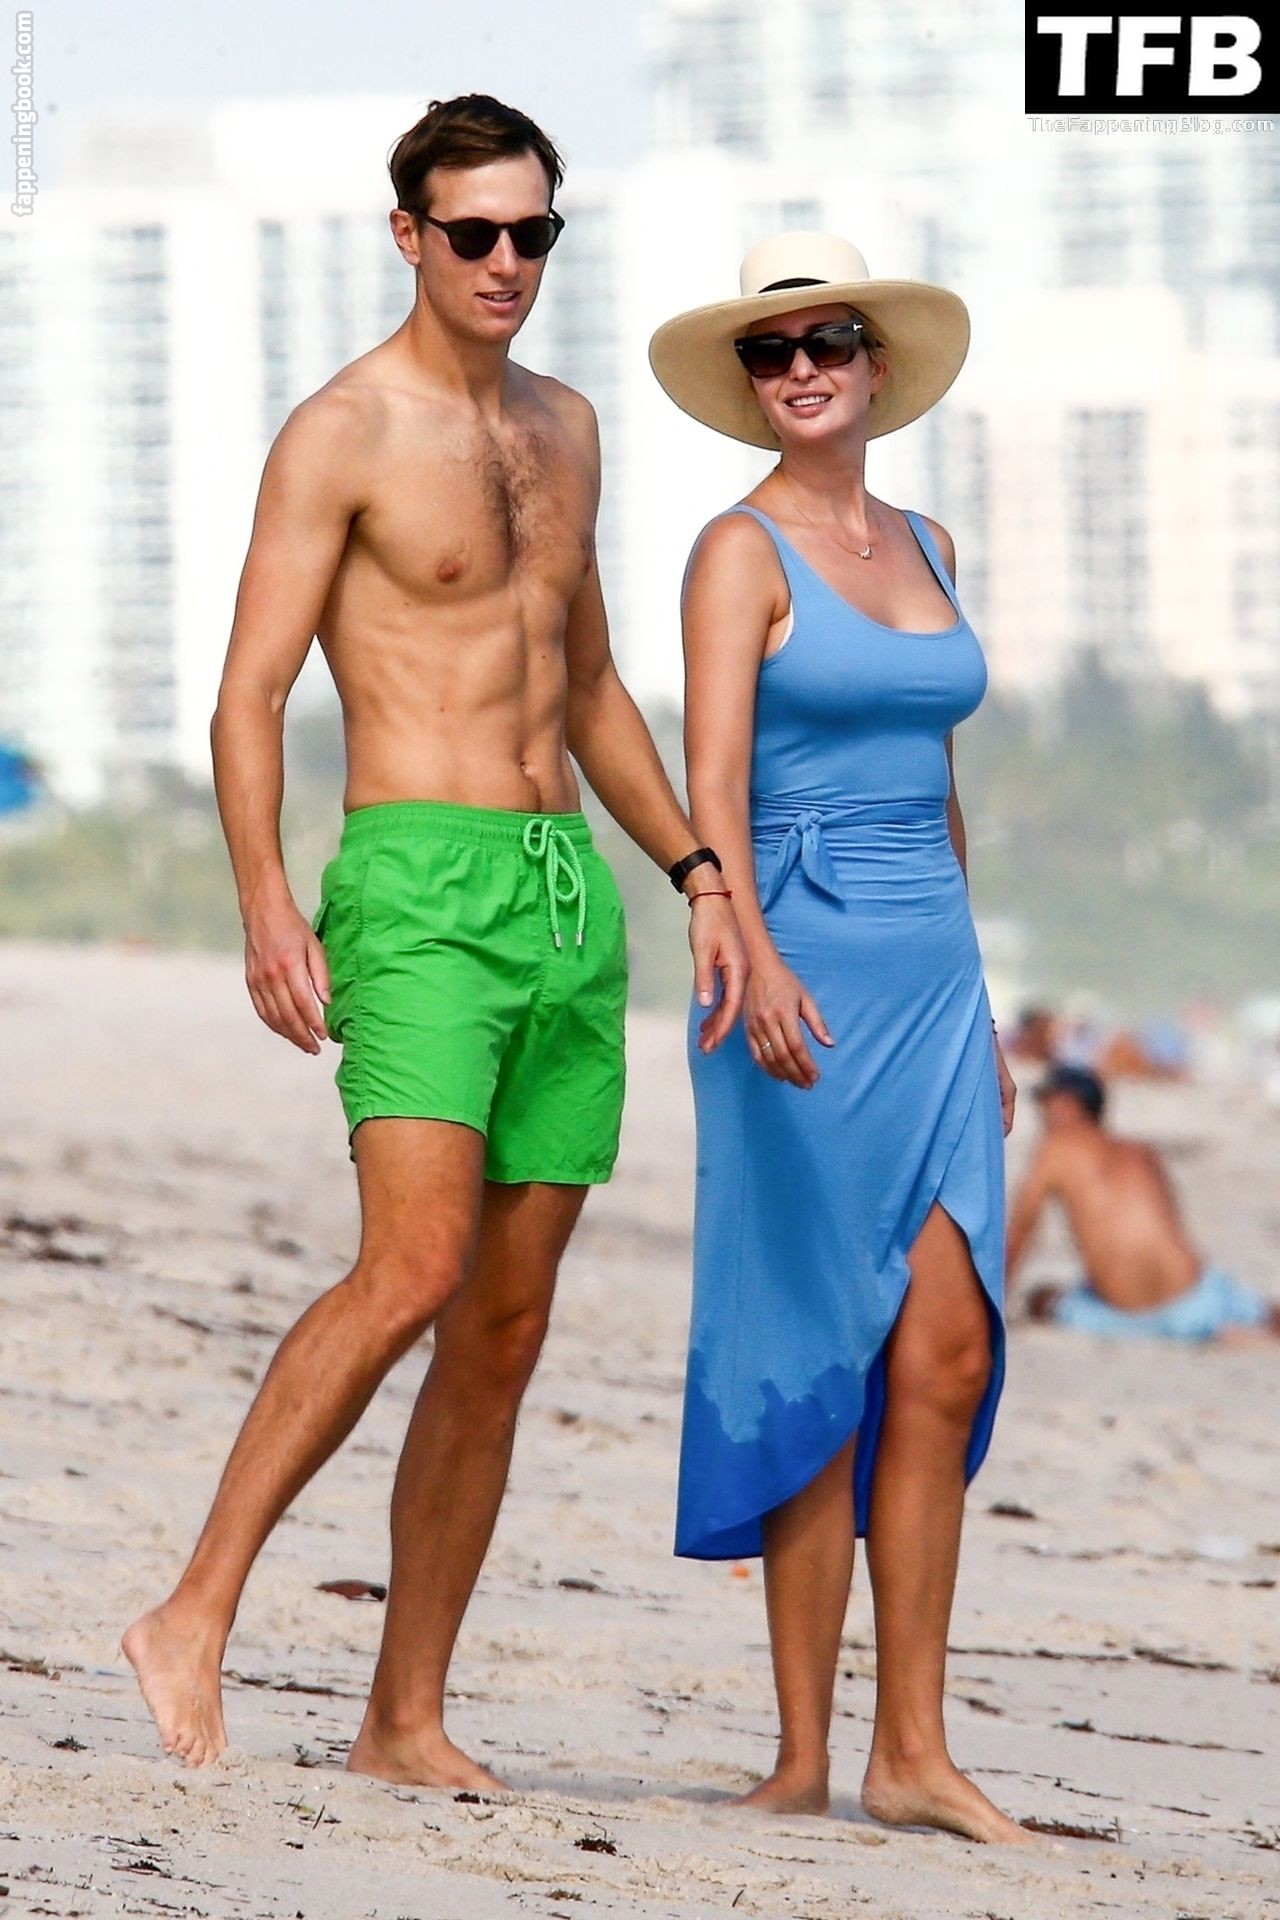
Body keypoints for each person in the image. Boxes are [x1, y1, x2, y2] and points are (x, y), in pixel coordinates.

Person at [122, 94, 746, 1783]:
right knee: (412, 1265)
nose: (505, 261)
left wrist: (694, 868)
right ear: (409, 235)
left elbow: (591, 684)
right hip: (414, 887)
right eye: (474, 232)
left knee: (506, 1324)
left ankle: (403, 1717)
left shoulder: (570, 427)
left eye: (533, 232)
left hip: (566, 896)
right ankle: (191, 1610)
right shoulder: (340, 432)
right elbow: (250, 695)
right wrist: (266, 899)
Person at [649, 234, 1025, 1842]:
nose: (801, 369)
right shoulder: (736, 551)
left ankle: (913, 1752)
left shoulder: (929, 539)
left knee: (946, 1351)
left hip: (931, 981)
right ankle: (804, 1756)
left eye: (828, 342)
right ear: (753, 385)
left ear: (876, 366)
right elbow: (711, 779)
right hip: (790, 986)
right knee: (818, 1347)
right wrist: (749, 943)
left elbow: (939, 788)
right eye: (772, 350)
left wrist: (982, 1009)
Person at [1010, 1065, 1278, 1341]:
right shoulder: (1141, 1153)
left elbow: (1020, 1231)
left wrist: (996, 1300)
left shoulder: (1056, 1147)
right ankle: (1235, 1322)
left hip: (1128, 1316)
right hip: (1195, 1298)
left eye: (1045, 1102)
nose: (1041, 1113)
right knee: (1252, 1306)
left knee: (1041, 1299)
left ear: (1067, 1105)